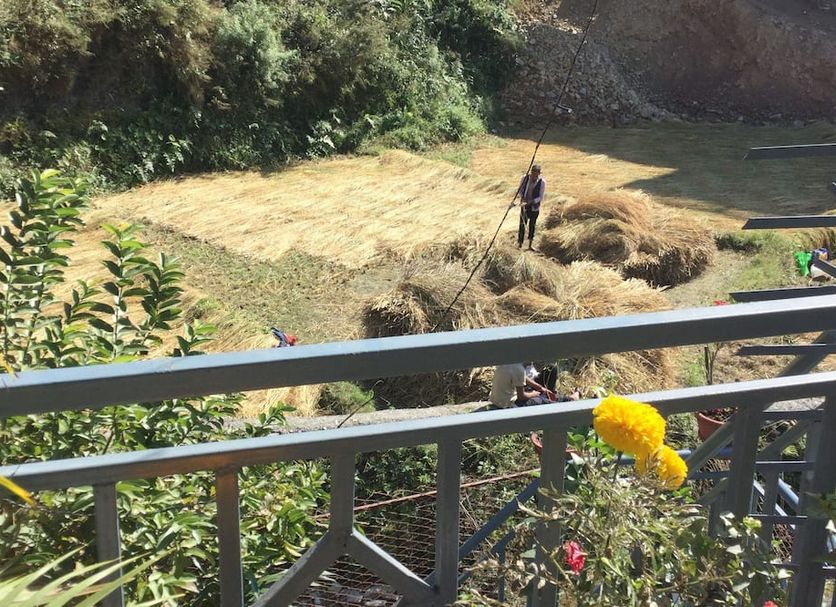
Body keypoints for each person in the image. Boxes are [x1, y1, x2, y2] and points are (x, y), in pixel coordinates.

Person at [489, 362, 580, 408]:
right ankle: (569, 403)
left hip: (498, 400)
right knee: (542, 401)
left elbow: (523, 378)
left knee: (544, 394)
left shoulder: (511, 363)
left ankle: (568, 399)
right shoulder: (519, 369)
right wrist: (534, 394)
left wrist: (540, 388)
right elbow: (521, 396)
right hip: (509, 404)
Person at [516, 164, 546, 250]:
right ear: (531, 173)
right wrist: (522, 198)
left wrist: (532, 202)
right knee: (522, 224)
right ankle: (520, 244)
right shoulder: (525, 178)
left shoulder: (542, 182)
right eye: (533, 174)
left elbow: (541, 197)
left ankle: (530, 245)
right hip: (524, 205)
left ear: (539, 174)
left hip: (534, 207)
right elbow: (520, 190)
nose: (534, 176)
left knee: (532, 225)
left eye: (536, 174)